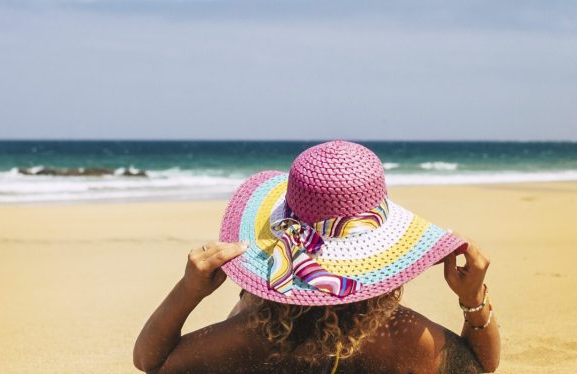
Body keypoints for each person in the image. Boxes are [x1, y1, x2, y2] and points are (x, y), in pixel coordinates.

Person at [133, 141, 500, 373]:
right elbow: (481, 365)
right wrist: (472, 300)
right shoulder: (403, 336)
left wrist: (189, 289)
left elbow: (151, 362)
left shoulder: (247, 335)